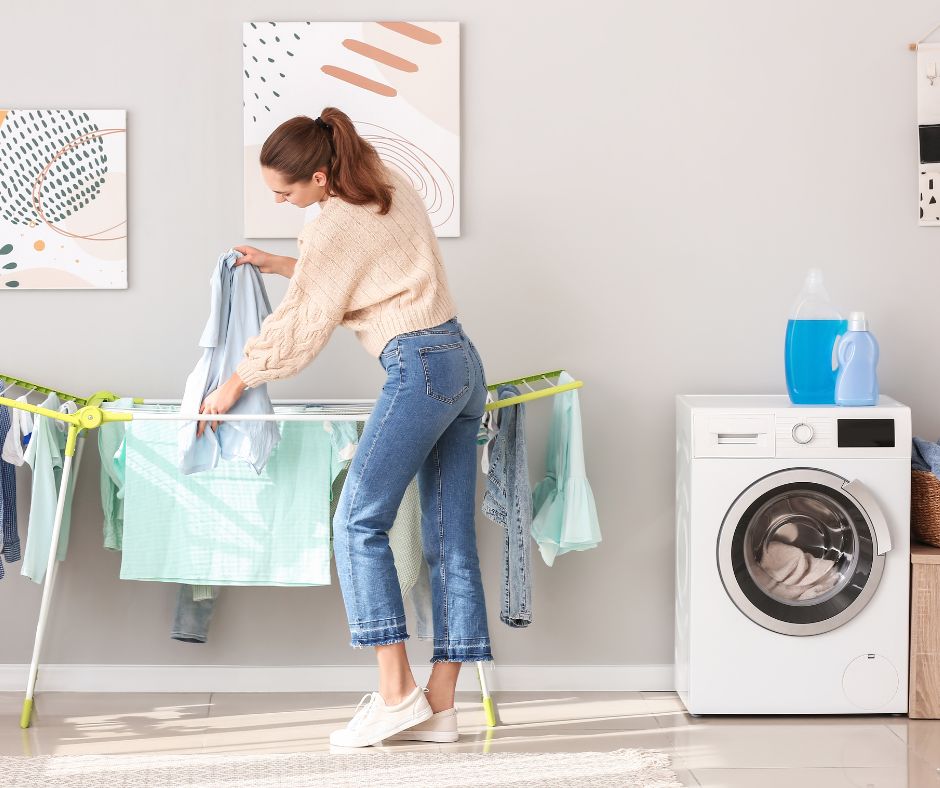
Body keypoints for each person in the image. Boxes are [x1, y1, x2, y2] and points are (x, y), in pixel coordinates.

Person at [197, 107, 492, 747]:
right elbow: (364, 272)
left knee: (357, 521)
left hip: (417, 366)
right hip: (463, 362)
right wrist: (280, 264)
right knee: (449, 538)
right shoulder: (387, 181)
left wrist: (234, 382)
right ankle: (440, 706)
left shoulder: (333, 227)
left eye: (287, 191)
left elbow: (304, 323)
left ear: (322, 177)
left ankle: (396, 694)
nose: (281, 200)